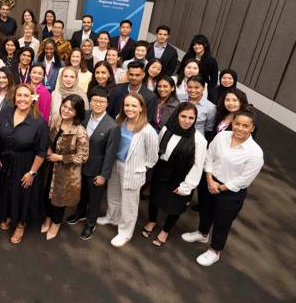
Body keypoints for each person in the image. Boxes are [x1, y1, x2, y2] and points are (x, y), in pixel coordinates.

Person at [182, 109, 263, 266]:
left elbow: (245, 180)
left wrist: (221, 188)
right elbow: (209, 156)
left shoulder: (255, 153)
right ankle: (202, 233)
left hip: (231, 192)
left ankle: (215, 251)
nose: (240, 128)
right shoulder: (222, 136)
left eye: (245, 126)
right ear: (232, 122)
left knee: (222, 221)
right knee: (205, 211)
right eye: (237, 123)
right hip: (210, 180)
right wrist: (210, 179)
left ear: (252, 128)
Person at [141, 102, 206, 247]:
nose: (186, 121)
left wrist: (186, 186)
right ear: (177, 115)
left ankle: (165, 231)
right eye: (183, 116)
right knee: (154, 199)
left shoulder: (199, 140)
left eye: (191, 118)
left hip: (181, 177)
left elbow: (198, 166)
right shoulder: (166, 129)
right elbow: (157, 149)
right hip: (161, 171)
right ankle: (152, 221)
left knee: (175, 206)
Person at [98, 94, 159, 247]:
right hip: (115, 164)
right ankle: (112, 217)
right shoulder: (120, 120)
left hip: (132, 170)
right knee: (113, 194)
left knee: (129, 204)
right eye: (127, 105)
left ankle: (125, 233)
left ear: (141, 108)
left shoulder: (148, 130)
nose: (129, 109)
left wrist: (139, 169)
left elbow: (152, 157)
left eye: (133, 106)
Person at [0, 84, 49, 243]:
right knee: (7, 190)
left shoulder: (39, 122)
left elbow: (42, 151)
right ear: (14, 97)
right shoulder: (5, 113)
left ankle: (20, 224)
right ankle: (9, 215)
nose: (22, 99)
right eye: (19, 95)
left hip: (27, 164)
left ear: (33, 98)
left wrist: (32, 173)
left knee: (23, 194)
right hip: (6, 160)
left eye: (26, 95)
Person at [66, 87, 120, 240]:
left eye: (101, 101)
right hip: (79, 164)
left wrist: (104, 175)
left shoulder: (112, 126)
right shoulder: (85, 116)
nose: (97, 104)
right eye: (95, 100)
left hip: (96, 168)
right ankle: (80, 213)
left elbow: (110, 154)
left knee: (94, 198)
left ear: (107, 104)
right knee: (81, 192)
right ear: (90, 101)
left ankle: (91, 223)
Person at [43, 95, 89, 240]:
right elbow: (51, 139)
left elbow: (83, 156)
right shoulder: (57, 120)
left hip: (67, 173)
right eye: (64, 106)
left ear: (77, 112)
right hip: (50, 167)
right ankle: (47, 218)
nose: (66, 110)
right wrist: (49, 149)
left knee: (59, 199)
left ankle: (55, 223)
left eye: (71, 109)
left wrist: (61, 158)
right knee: (47, 195)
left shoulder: (80, 131)